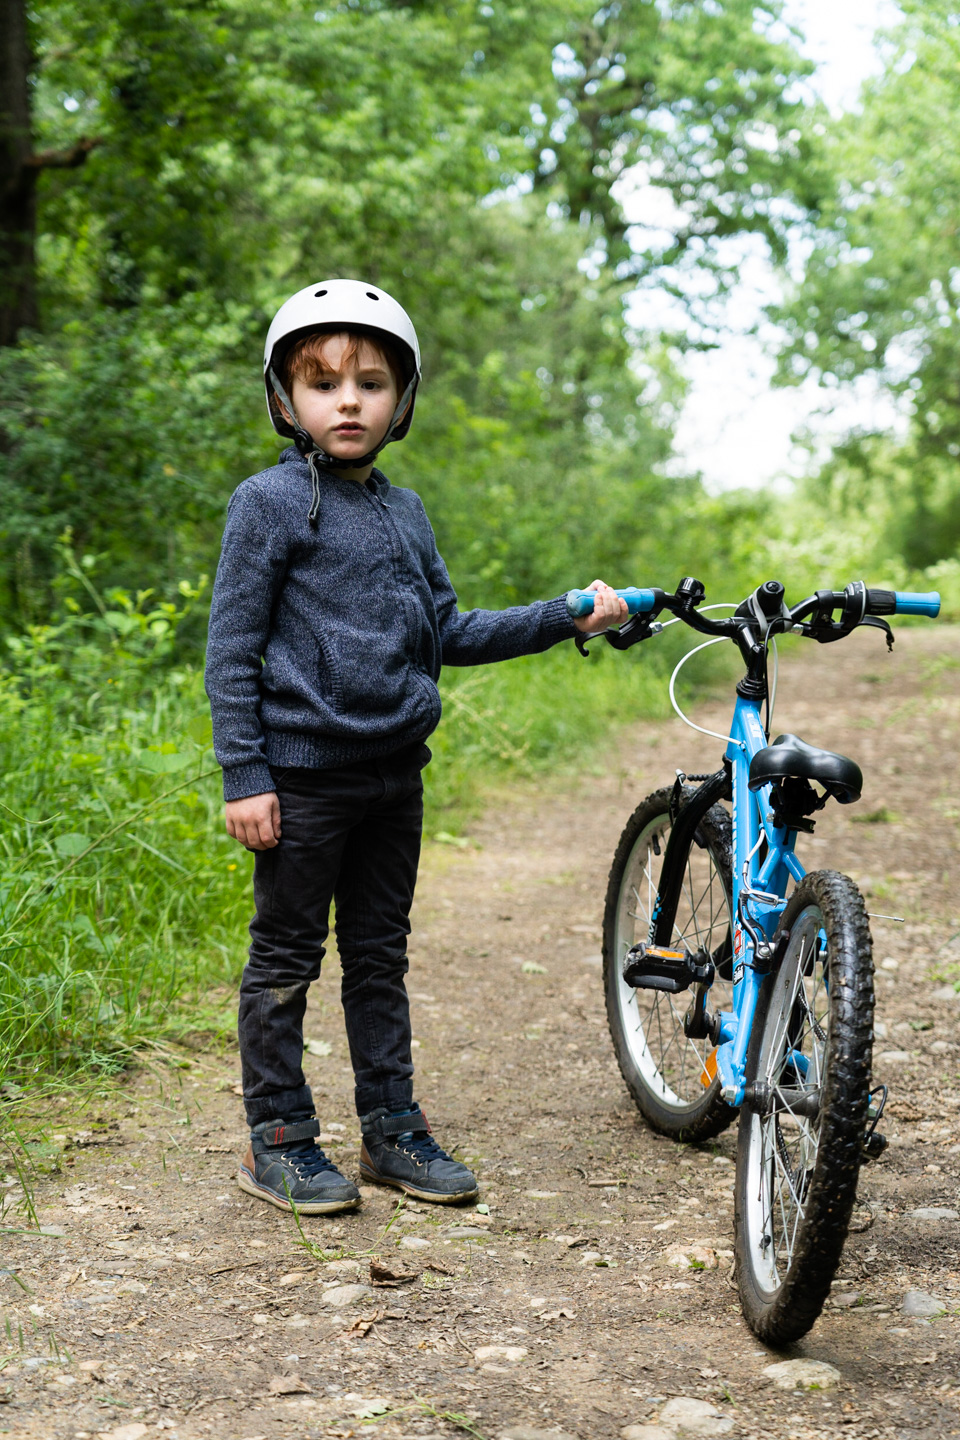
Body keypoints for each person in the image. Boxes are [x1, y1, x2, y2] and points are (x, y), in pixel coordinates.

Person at [205, 279, 627, 1215]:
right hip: (303, 783)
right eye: (323, 384)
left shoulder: (406, 514)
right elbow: (231, 650)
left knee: (379, 956)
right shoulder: (268, 505)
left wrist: (566, 617)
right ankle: (276, 1138)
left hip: (396, 778)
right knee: (284, 958)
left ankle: (391, 1129)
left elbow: (451, 631)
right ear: (285, 400)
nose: (347, 400)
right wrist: (246, 774)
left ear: (402, 400)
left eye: (371, 381)